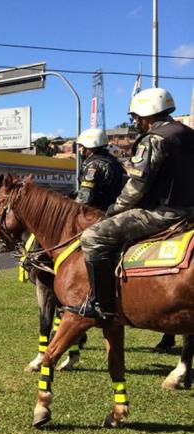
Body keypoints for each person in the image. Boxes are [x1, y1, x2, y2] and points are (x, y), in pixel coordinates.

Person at [80, 88, 194, 322]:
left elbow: (137, 186)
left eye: (136, 116)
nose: (135, 121)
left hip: (162, 213)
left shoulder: (155, 139)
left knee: (92, 238)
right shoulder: (190, 134)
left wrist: (114, 210)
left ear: (148, 113)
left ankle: (103, 306)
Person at [75, 128, 126, 211]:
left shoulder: (94, 166)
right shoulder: (114, 161)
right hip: (113, 211)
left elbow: (84, 198)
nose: (80, 150)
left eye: (81, 146)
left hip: (98, 214)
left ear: (88, 146)